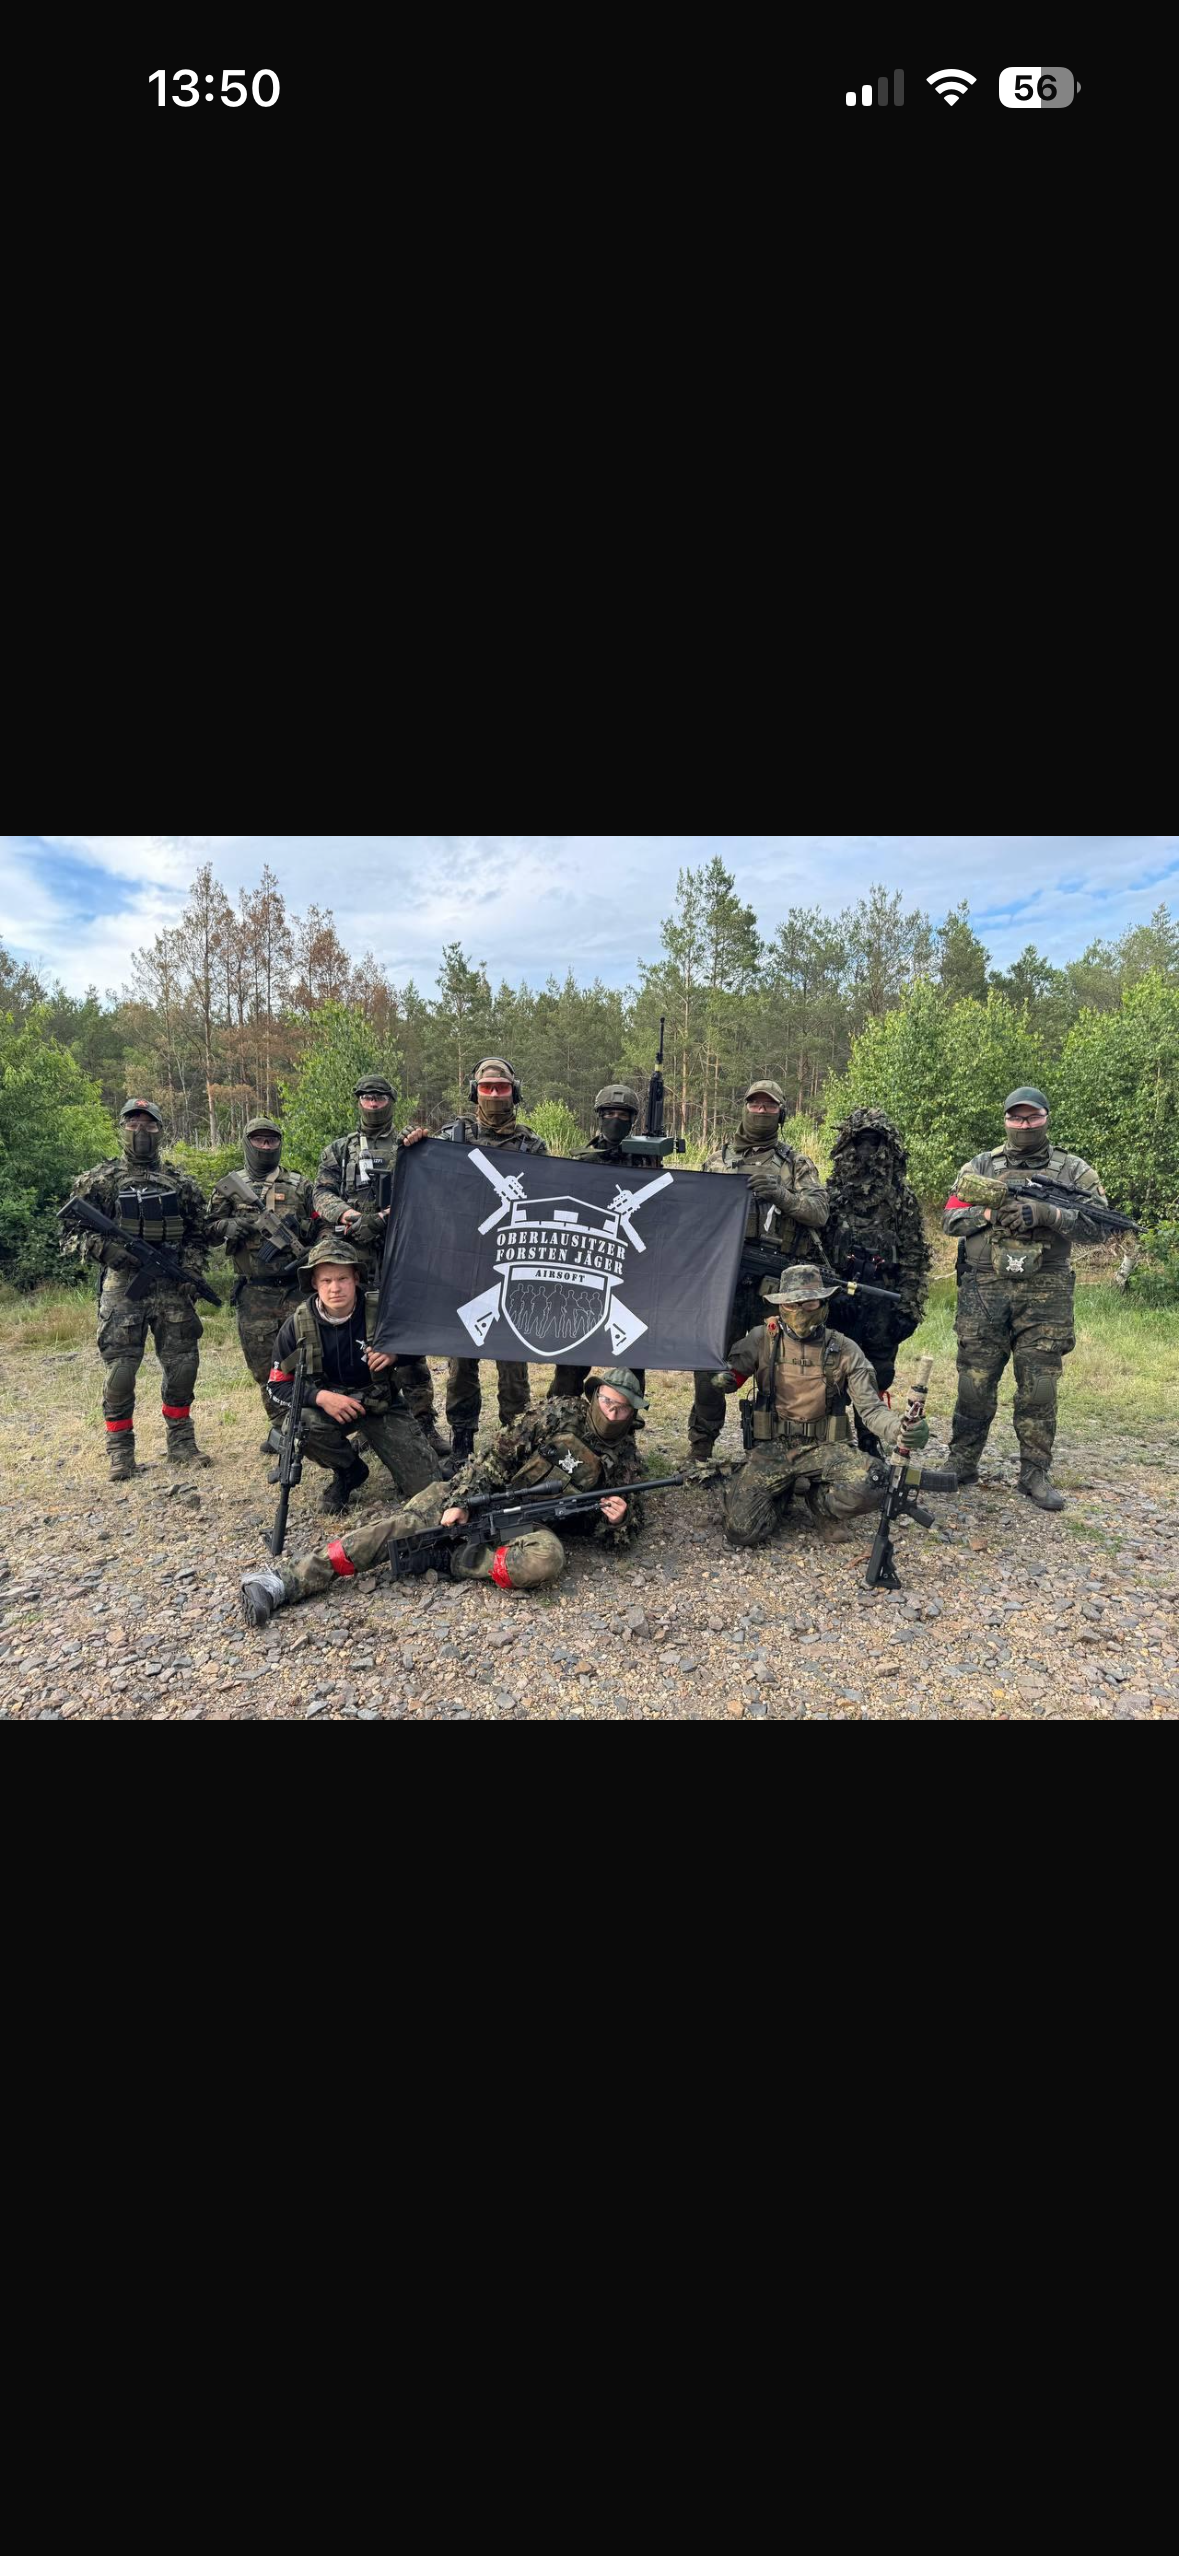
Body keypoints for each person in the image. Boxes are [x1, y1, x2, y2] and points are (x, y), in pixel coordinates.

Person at [240, 1368, 650, 1621]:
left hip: (526, 1524)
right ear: (595, 1395)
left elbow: (622, 1534)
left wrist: (619, 1520)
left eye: (621, 1409)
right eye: (606, 1402)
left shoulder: (626, 1460)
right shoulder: (557, 1414)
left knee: (547, 1559)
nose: (611, 1413)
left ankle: (450, 1559)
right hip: (484, 1494)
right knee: (402, 1528)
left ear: (633, 1414)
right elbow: (493, 1457)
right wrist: (461, 1501)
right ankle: (285, 1581)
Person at [943, 1087, 1110, 1509]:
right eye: (1016, 1118)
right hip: (984, 1288)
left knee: (1039, 1387)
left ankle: (1035, 1473)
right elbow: (949, 1218)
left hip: (1046, 1290)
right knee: (973, 1382)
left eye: (1032, 1117)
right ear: (1005, 1120)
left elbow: (1102, 1226)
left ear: (1046, 1118)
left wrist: (1050, 1214)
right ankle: (961, 1463)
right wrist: (988, 1213)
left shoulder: (1073, 1170)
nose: (1024, 1124)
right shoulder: (981, 1166)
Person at [712, 1267, 930, 1544]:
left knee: (875, 1481)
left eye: (810, 1304)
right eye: (792, 1304)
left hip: (824, 1447)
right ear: (780, 1305)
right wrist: (722, 1379)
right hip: (772, 1447)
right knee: (741, 1530)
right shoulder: (761, 1339)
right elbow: (733, 1375)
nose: (800, 1312)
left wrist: (900, 1429)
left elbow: (871, 1409)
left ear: (824, 1304)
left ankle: (821, 1504)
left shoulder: (845, 1349)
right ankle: (778, 1494)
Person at [61, 1098, 212, 1478]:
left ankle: (181, 1443)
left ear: (161, 1130)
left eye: (149, 1124)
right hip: (123, 1285)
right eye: (133, 1124)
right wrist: (105, 1249)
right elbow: (70, 1232)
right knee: (121, 1372)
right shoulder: (100, 1180)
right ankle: (120, 1452)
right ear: (122, 1128)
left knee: (183, 1366)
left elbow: (198, 1235)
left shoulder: (181, 1182)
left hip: (171, 1286)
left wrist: (190, 1271)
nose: (141, 1131)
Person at [687, 1079, 829, 1464]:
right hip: (723, 1283)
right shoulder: (717, 1161)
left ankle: (773, 1452)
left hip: (774, 1286)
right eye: (755, 1104)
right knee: (709, 1364)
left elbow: (819, 1212)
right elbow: (695, 1215)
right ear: (744, 1107)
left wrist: (782, 1195)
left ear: (781, 1113)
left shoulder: (796, 1163)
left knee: (777, 1367)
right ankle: (701, 1447)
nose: (761, 1111)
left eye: (769, 1106)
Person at [313, 1077, 447, 1460]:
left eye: (380, 1097)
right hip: (355, 1258)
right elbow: (321, 1193)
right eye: (367, 1097)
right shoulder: (340, 1149)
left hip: (402, 1255)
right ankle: (369, 1421)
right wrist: (353, 1217)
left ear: (391, 1101)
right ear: (359, 1101)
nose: (373, 1103)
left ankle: (423, 1422)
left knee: (408, 1339)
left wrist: (422, 1141)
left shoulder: (410, 1145)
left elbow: (435, 1184)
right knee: (359, 1340)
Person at [267, 1234, 442, 1515]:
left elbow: (425, 1339)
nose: (335, 1288)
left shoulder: (382, 1310)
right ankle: (349, 1471)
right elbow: (277, 1386)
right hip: (331, 1409)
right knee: (299, 1424)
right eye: (326, 1280)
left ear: (356, 1278)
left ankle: (394, 1451)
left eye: (342, 1279)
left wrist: (396, 1354)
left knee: (429, 1489)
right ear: (314, 1283)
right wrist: (321, 1397)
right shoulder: (296, 1326)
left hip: (382, 1405)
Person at [437, 1058, 547, 1460]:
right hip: (465, 1262)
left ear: (514, 1092)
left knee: (512, 1356)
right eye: (487, 1088)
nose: (495, 1094)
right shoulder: (452, 1138)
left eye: (502, 1087)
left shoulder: (532, 1145)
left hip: (512, 1262)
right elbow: (430, 1183)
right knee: (461, 1358)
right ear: (475, 1091)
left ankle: (514, 1435)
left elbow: (548, 1197)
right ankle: (462, 1436)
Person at [824, 1107, 931, 1451]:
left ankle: (871, 1441)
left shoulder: (901, 1199)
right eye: (860, 1142)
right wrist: (829, 1295)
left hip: (882, 1305)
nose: (867, 1151)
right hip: (839, 1303)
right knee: (830, 1373)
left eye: (875, 1143)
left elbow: (915, 1256)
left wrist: (909, 1309)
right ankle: (832, 1444)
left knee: (878, 1373)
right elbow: (815, 1252)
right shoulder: (831, 1197)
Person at [207, 1117, 317, 1438]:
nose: (266, 1146)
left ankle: (307, 1423)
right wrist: (227, 1226)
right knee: (263, 1365)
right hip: (254, 1292)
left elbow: (322, 1224)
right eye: (259, 1140)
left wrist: (311, 1247)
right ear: (247, 1142)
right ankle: (280, 1426)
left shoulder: (300, 1185)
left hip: (296, 1289)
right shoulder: (230, 1186)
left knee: (306, 1359)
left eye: (271, 1140)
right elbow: (206, 1231)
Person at [547, 1082, 647, 1401]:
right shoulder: (580, 1160)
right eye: (610, 1113)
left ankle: (623, 1421)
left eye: (623, 1115)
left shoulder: (646, 1162)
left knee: (631, 1356)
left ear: (632, 1120)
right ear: (599, 1116)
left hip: (632, 1270)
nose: (616, 1120)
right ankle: (561, 1417)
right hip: (587, 1267)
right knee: (571, 1360)